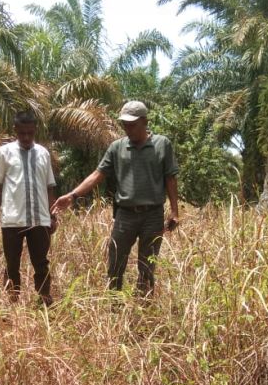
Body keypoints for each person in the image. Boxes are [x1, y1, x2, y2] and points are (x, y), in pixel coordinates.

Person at [52, 100, 179, 294]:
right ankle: (114, 302)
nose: (128, 129)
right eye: (124, 125)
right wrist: (72, 195)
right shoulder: (117, 147)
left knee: (147, 264)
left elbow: (170, 178)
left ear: (144, 121)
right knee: (116, 258)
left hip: (152, 215)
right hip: (125, 215)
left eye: (132, 125)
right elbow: (97, 175)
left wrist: (174, 211)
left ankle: (144, 309)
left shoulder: (162, 145)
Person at [0, 110, 57, 305]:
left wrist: (53, 216)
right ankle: (12, 303)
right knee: (12, 264)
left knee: (41, 263)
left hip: (39, 220)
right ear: (15, 130)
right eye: (22, 133)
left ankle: (44, 301)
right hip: (12, 220)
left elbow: (49, 187)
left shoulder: (43, 153)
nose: (26, 137)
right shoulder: (5, 152)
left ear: (35, 131)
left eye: (30, 133)